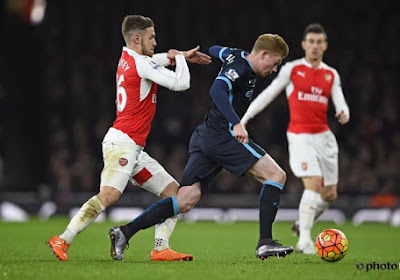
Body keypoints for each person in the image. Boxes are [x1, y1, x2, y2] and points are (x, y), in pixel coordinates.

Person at [108, 33, 294, 261]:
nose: (274, 69)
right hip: (222, 135)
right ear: (264, 54)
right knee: (276, 175)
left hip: (205, 135)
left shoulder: (235, 56)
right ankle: (265, 242)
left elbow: (216, 48)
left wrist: (216, 55)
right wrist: (236, 123)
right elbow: (216, 90)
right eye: (275, 63)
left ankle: (124, 232)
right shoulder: (241, 68)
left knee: (185, 199)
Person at [46, 14, 212, 262]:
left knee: (174, 195)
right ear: (137, 38)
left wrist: (178, 55)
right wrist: (179, 58)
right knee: (109, 196)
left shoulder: (127, 59)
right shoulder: (141, 64)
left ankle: (160, 247)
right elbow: (181, 83)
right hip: (122, 145)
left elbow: (154, 59)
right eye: (151, 37)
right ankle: (63, 238)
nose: (155, 42)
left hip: (133, 150)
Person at [241, 23, 350, 254]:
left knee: (329, 194)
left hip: (324, 137)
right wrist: (245, 118)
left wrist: (343, 111)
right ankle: (305, 240)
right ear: (304, 44)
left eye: (319, 42)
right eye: (311, 42)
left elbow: (340, 101)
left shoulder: (331, 74)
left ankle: (302, 224)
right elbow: (269, 94)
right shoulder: (292, 69)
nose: (314, 46)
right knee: (312, 184)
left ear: (324, 46)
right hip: (300, 136)